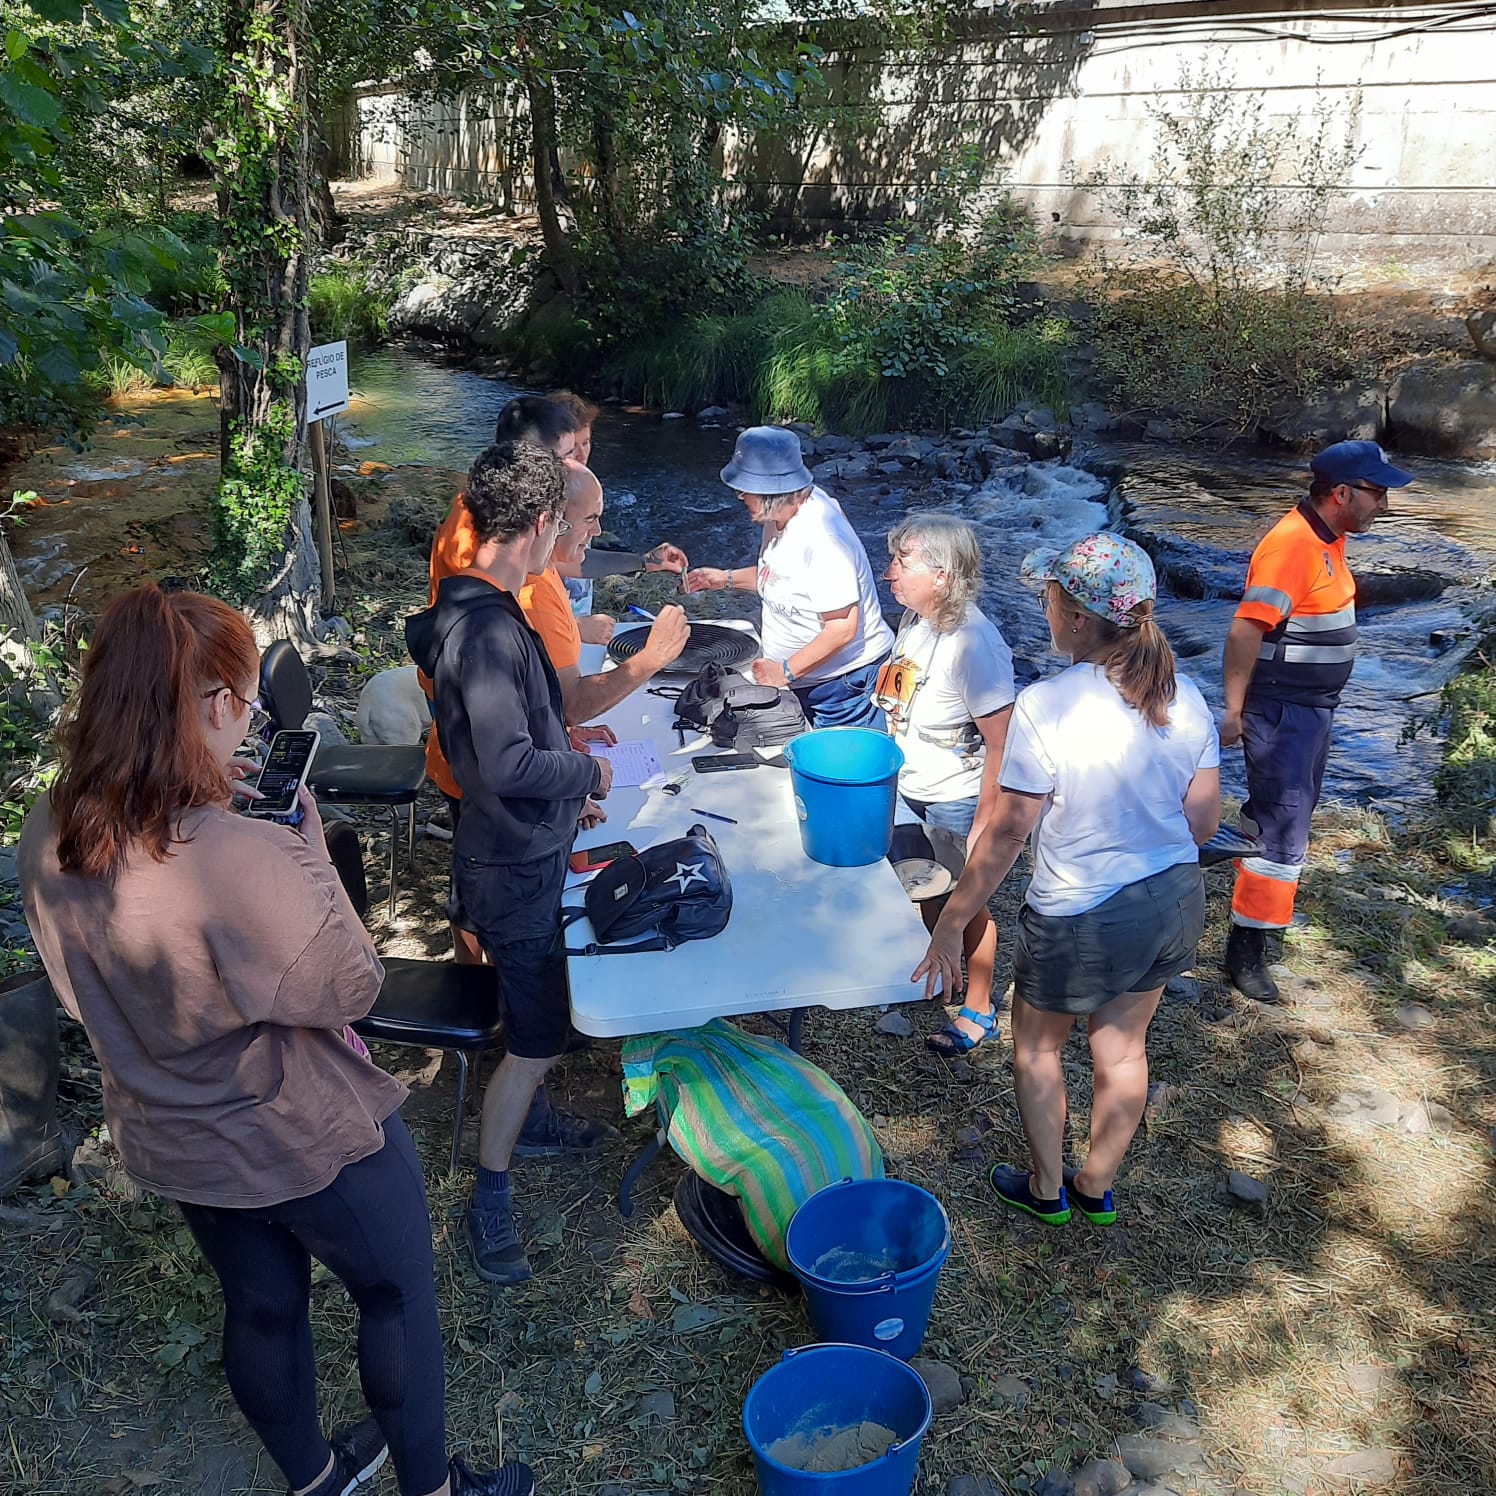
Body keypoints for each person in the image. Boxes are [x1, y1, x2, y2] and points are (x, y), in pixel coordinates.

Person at [17, 585, 533, 1496]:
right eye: (249, 706)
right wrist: (299, 845)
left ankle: (315, 1477)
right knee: (395, 1295)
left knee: (259, 1305)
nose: (250, 728)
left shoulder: (47, 828)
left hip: (173, 1136)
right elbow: (353, 985)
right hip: (299, 1134)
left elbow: (83, 981)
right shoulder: (236, 855)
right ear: (214, 706)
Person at [913, 534, 1220, 1227]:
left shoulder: (1047, 704)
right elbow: (1203, 824)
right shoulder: (1184, 695)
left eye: (1049, 598)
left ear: (1077, 616)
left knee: (1038, 1046)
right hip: (1173, 900)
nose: (1046, 611)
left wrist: (953, 921)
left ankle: (1047, 1188)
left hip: (1081, 916)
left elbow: (1007, 834)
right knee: (1124, 1050)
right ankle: (1096, 1185)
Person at [406, 441, 618, 1287]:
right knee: (532, 1038)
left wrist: (569, 800)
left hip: (520, 846)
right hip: (509, 867)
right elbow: (505, 765)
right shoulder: (490, 632)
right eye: (565, 528)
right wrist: (586, 773)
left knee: (544, 1018)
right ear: (538, 525)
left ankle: (529, 1116)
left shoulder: (473, 602)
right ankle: (489, 1194)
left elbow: (517, 749)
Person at [1220, 441, 1412, 1003]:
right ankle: (1246, 952)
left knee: (1283, 818)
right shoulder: (1291, 547)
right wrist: (1233, 711)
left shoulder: (1330, 537)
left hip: (1309, 710)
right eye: (1377, 493)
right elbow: (1244, 631)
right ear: (1343, 493)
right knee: (1282, 827)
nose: (1385, 504)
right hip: (1282, 711)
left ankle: (1250, 923)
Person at [877, 514, 1015, 1055]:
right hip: (909, 784)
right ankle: (939, 972)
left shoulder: (975, 645)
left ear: (941, 575)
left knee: (962, 902)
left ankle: (978, 1009)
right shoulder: (915, 622)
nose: (889, 573)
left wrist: (985, 823)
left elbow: (1003, 745)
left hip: (953, 797)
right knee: (921, 887)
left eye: (901, 563)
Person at [685, 426, 894, 728]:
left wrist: (784, 672)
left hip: (843, 687)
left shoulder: (823, 537)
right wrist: (723, 579)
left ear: (773, 492)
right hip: (807, 681)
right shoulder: (780, 515)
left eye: (746, 489)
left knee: (840, 771)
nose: (739, 495)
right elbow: (781, 578)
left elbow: (842, 627)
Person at [522, 461, 690, 730]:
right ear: (552, 521)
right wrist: (652, 657)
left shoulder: (541, 563)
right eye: (590, 519)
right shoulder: (534, 593)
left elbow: (579, 560)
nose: (598, 531)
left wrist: (644, 561)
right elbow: (571, 707)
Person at [546, 391, 691, 635]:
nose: (582, 455)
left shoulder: (580, 484)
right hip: (556, 630)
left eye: (587, 442)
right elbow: (566, 563)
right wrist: (576, 628)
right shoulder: (544, 497)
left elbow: (580, 558)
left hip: (572, 625)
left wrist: (645, 561)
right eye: (572, 449)